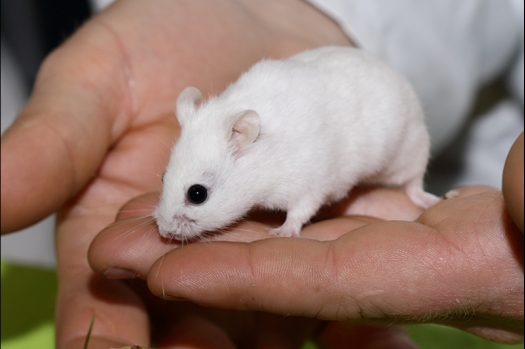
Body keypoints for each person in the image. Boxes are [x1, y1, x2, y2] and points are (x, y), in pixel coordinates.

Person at [1, 1, 523, 348]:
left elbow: (322, 176)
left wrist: (295, 221)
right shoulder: (221, 122)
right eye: (172, 186)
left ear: (244, 143)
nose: (169, 220)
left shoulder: (278, 147)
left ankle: (413, 186)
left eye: (197, 194)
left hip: (396, 122)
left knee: (405, 149)